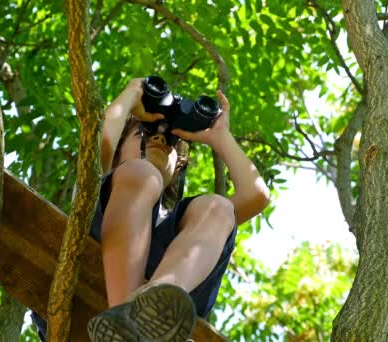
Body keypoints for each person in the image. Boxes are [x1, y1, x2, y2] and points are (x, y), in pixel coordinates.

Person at [82, 78, 270, 341]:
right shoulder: (97, 189)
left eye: (170, 141)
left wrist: (220, 136)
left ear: (178, 167)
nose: (160, 137)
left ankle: (149, 305)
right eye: (144, 134)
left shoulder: (182, 224)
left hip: (167, 314)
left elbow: (255, 196)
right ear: (118, 149)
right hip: (88, 293)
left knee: (218, 206)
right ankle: (128, 319)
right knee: (142, 174)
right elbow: (97, 143)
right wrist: (131, 94)